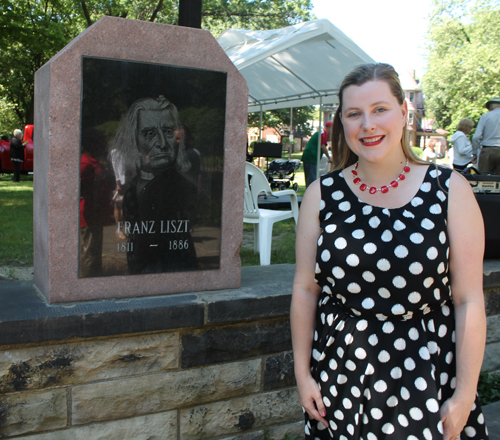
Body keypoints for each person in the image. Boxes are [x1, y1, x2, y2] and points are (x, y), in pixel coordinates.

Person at [291, 63, 488, 440]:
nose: (368, 124)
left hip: (427, 372)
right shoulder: (321, 195)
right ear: (342, 123)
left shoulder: (449, 190)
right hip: (340, 374)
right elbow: (305, 289)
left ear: (403, 112)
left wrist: (464, 393)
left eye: (379, 109)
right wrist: (303, 375)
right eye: (354, 114)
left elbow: (468, 301)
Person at [111, 96, 198, 274]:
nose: (161, 143)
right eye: (149, 134)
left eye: (167, 132)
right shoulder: (136, 187)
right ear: (135, 140)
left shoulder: (180, 183)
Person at [473, 97, 500, 174]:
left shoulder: (485, 116)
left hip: (487, 150)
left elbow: (476, 137)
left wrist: (475, 153)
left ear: (491, 106)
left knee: (484, 179)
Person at [302, 122, 333, 188]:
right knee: (312, 179)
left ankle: (310, 195)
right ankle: (310, 196)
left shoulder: (322, 132)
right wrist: (329, 157)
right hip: (311, 157)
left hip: (311, 157)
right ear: (329, 128)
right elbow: (323, 146)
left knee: (312, 178)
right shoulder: (323, 133)